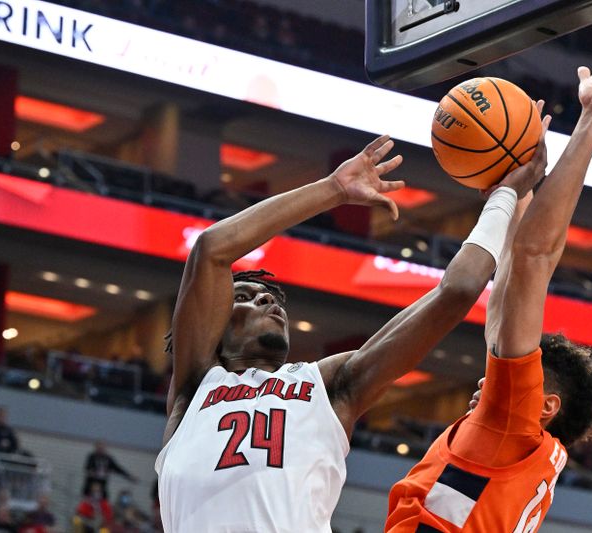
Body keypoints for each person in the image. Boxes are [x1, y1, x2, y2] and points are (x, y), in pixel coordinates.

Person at [156, 127, 549, 531]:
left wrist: (504, 196)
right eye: (245, 296)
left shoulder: (328, 384)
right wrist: (333, 189)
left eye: (270, 297)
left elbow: (460, 290)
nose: (267, 300)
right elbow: (211, 249)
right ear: (211, 323)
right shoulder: (196, 387)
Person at [386, 21, 592, 532]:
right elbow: (514, 284)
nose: (487, 384)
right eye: (499, 379)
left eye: (499, 379)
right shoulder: (515, 439)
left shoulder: (511, 428)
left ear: (546, 406)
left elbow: (533, 261)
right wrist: (520, 182)